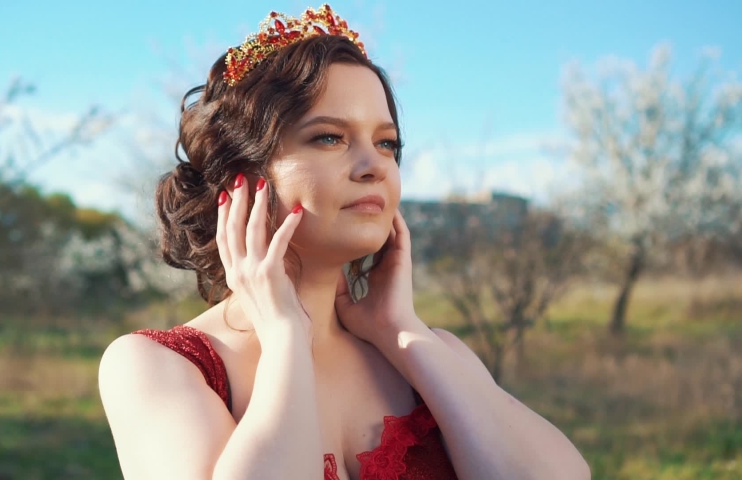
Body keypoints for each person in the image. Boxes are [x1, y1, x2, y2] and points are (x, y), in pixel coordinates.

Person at [98, 4, 591, 479]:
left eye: (387, 143)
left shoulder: (427, 351)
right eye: (330, 137)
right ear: (242, 178)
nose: (375, 166)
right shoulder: (155, 367)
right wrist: (287, 334)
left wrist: (400, 329)